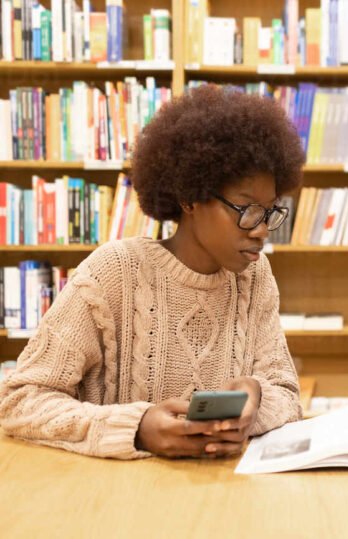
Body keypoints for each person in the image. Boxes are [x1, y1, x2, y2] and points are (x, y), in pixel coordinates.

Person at [0, 85, 307, 459]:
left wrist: (256, 398)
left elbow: (287, 394)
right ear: (190, 198)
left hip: (223, 498)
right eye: (245, 209)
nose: (261, 228)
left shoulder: (254, 278)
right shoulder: (114, 272)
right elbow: (19, 401)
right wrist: (137, 430)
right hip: (116, 501)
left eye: (270, 210)